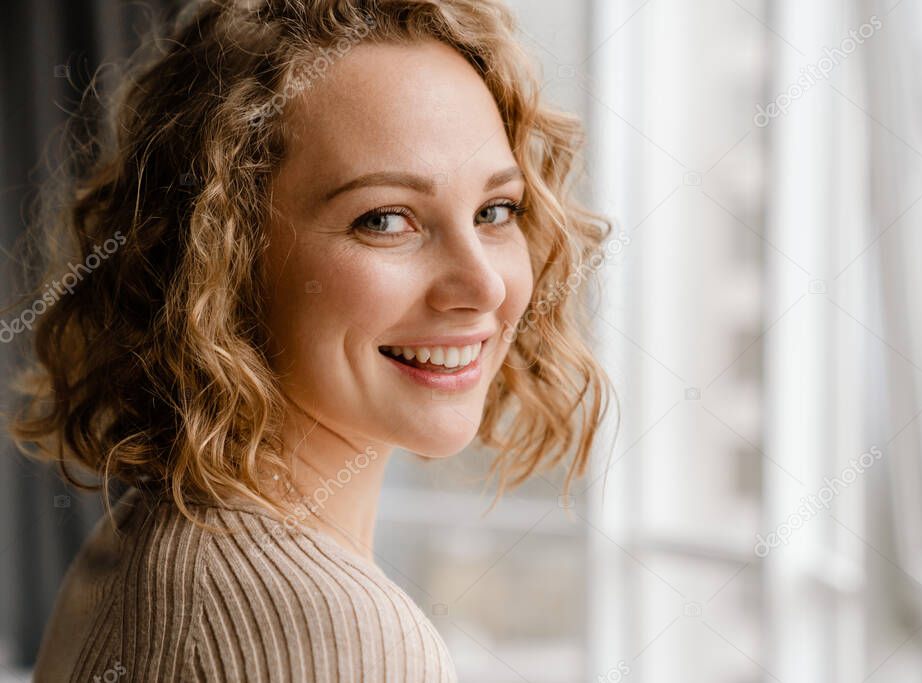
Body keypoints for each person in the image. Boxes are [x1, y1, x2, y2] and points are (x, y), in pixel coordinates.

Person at [8, 0, 614, 680]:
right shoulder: (333, 633)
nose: (483, 285)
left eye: (495, 210)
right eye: (385, 219)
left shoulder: (141, 541)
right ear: (225, 260)